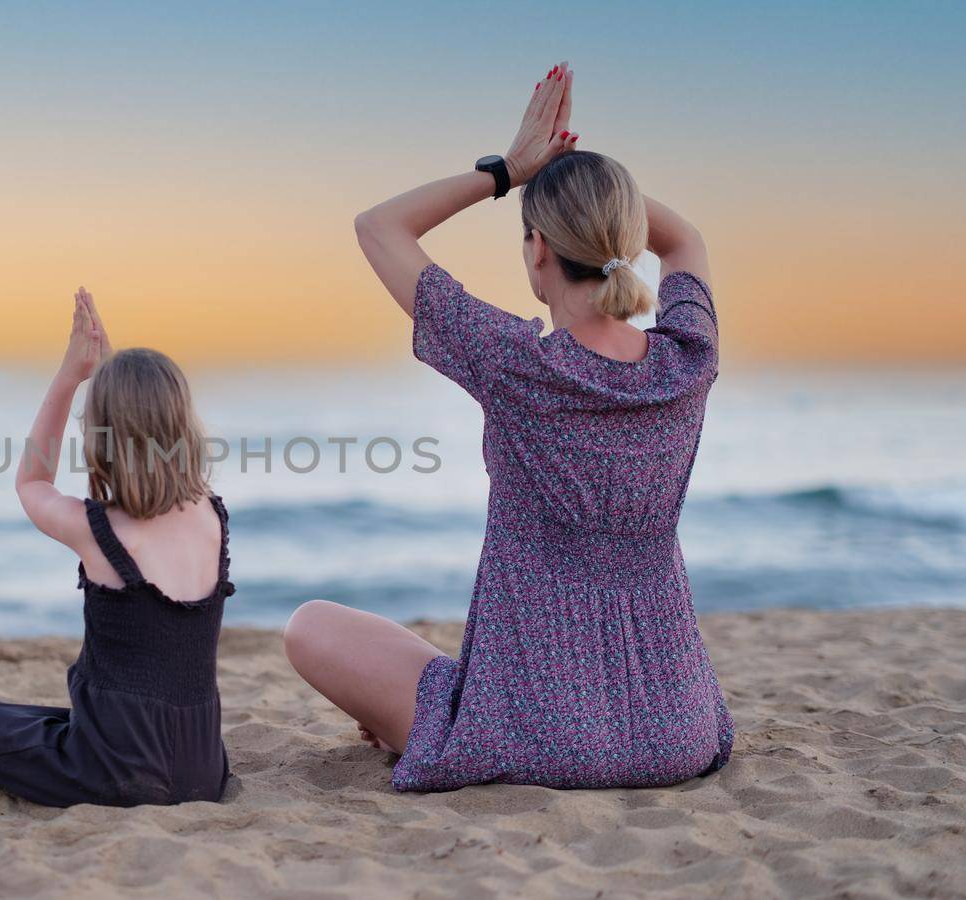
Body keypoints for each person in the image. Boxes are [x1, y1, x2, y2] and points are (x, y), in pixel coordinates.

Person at [283, 62, 733, 791]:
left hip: (528, 731)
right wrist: (592, 188)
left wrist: (512, 169)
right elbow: (685, 241)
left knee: (311, 626)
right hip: (676, 731)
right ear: (622, 235)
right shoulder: (688, 361)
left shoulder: (513, 363)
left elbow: (378, 227)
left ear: (537, 251)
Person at [0, 288, 235, 806]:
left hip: (115, 770)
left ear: (101, 435)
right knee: (39, 717)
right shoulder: (211, 515)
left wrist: (70, 376)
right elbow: (141, 425)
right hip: (203, 769)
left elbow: (32, 482)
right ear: (184, 424)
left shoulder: (96, 528)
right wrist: (111, 369)